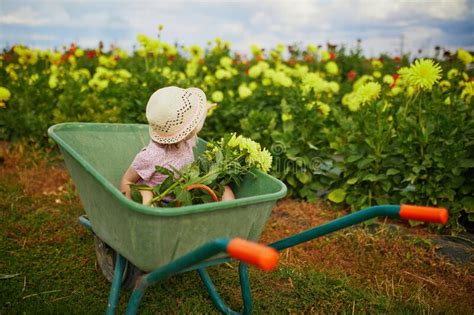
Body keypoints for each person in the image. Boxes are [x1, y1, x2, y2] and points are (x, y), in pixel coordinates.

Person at [120, 86, 235, 205]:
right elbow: (127, 180)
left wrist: (204, 110)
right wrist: (128, 205)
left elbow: (196, 126)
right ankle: (148, 215)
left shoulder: (185, 139)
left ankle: (227, 214)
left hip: (185, 192)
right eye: (193, 122)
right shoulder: (151, 156)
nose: (196, 125)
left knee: (223, 189)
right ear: (185, 131)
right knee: (147, 195)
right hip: (160, 199)